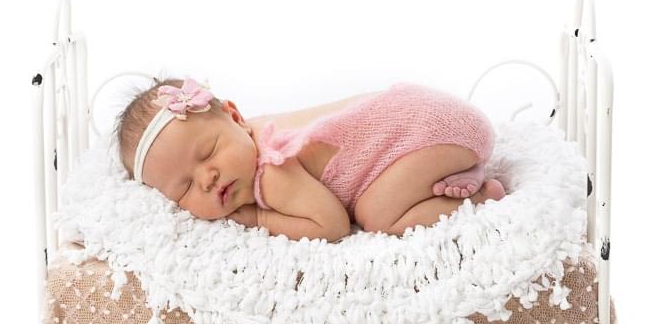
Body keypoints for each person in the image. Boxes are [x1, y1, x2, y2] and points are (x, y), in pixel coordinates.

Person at [116, 77, 505, 241]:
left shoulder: (271, 170)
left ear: (235, 117)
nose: (207, 178)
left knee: (377, 215)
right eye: (184, 187)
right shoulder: (245, 137)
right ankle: (455, 166)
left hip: (431, 128)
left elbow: (332, 225)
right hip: (432, 123)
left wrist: (259, 219)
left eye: (208, 153)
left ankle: (479, 196)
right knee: (383, 193)